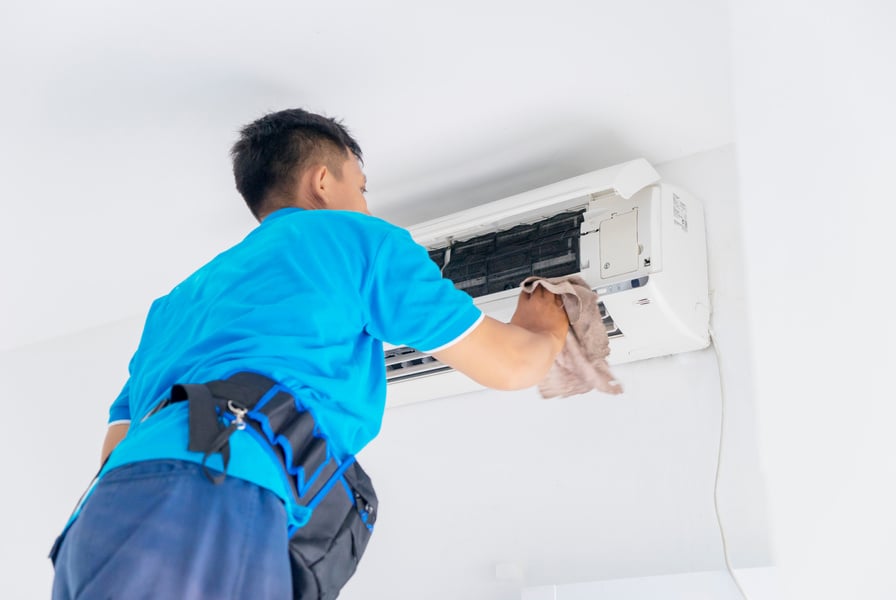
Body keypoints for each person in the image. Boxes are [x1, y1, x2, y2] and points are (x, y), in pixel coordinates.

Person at [50, 108, 568, 598]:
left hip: (98, 522)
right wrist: (546, 326)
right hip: (209, 491)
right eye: (361, 188)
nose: (366, 206)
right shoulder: (355, 239)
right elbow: (512, 364)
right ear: (322, 181)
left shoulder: (175, 305)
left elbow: (115, 449)